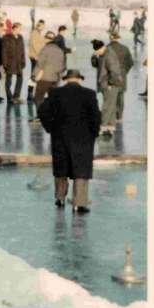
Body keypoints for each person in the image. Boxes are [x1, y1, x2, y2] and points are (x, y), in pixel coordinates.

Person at [36, 69, 100, 213]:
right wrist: (94, 133)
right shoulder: (89, 94)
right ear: (80, 80)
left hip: (60, 136)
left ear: (66, 80)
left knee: (61, 169)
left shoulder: (54, 93)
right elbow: (96, 116)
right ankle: (78, 204)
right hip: (83, 138)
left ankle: (60, 198)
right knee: (81, 170)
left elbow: (42, 111)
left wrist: (51, 128)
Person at [91, 38, 124, 137]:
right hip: (106, 84)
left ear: (102, 48)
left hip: (110, 84)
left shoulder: (109, 55)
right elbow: (96, 65)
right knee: (111, 106)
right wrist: (93, 57)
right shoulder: (102, 54)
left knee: (107, 106)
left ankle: (103, 126)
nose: (97, 52)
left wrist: (110, 83)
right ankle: (110, 127)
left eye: (97, 51)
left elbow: (114, 71)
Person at [31, 32, 65, 114]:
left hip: (44, 79)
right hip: (55, 79)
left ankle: (40, 116)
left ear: (46, 39)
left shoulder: (44, 50)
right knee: (53, 98)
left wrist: (34, 76)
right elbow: (62, 66)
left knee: (38, 97)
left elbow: (39, 65)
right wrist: (59, 78)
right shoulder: (60, 51)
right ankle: (53, 115)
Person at [2, 22, 27, 104]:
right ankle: (10, 98)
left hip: (19, 62)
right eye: (19, 28)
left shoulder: (20, 37)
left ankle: (16, 96)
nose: (20, 30)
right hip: (10, 62)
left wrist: (24, 61)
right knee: (9, 80)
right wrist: (4, 64)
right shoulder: (6, 38)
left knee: (20, 79)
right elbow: (4, 52)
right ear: (14, 28)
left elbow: (23, 50)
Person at [27, 20, 46, 102]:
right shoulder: (35, 33)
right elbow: (34, 45)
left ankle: (33, 94)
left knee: (36, 76)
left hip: (37, 57)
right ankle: (30, 95)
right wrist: (38, 56)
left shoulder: (37, 33)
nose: (44, 27)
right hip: (35, 58)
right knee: (34, 76)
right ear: (40, 25)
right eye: (43, 26)